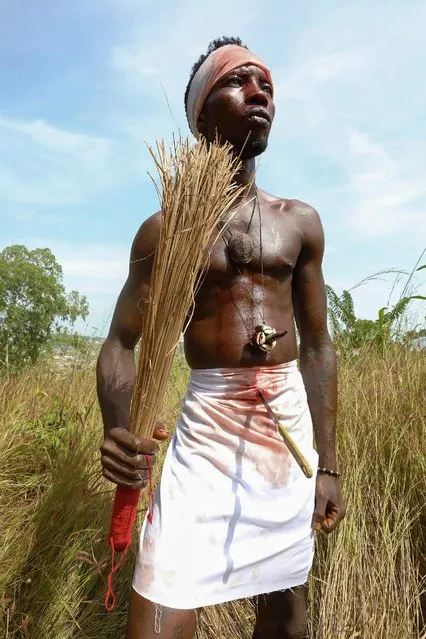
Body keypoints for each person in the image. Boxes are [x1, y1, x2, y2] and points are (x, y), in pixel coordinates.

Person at [97, 36, 345, 639]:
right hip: (206, 429)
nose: (260, 92)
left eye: (267, 84)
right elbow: (120, 345)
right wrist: (117, 428)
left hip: (284, 433)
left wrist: (329, 465)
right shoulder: (167, 231)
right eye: (240, 81)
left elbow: (317, 346)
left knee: (285, 619)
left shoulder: (299, 221)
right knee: (159, 607)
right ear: (201, 112)